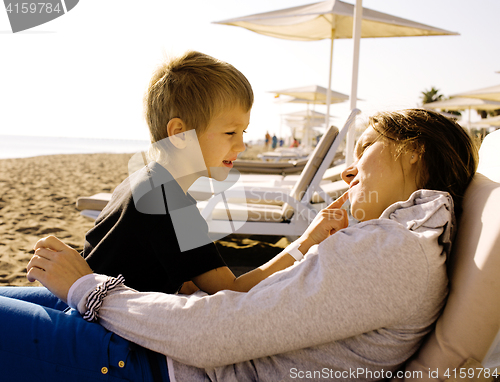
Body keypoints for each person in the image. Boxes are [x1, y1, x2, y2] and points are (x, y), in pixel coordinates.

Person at [0, 109, 478, 381]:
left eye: (363, 150)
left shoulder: (396, 251)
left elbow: (213, 331)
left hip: (159, 363)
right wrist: (309, 243)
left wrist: (89, 289)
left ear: (413, 148)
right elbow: (245, 303)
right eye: (231, 133)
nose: (349, 172)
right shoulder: (402, 243)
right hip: (167, 336)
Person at [81, 51, 337, 296]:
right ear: (180, 134)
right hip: (102, 331)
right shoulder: (170, 203)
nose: (241, 146)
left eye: (243, 133)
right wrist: (307, 240)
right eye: (230, 133)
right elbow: (233, 290)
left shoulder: (144, 181)